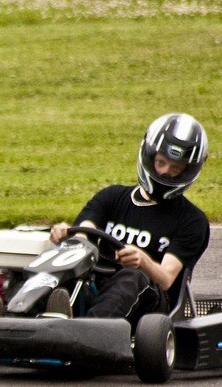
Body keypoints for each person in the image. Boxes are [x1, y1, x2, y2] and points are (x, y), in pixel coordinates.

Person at [29, 113, 210, 324]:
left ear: (188, 172)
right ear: (150, 156)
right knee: (57, 264)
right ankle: (15, 314)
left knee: (133, 277)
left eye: (175, 168)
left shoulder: (191, 220)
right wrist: (65, 234)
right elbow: (83, 234)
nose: (164, 173)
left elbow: (166, 279)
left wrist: (143, 262)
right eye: (161, 162)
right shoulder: (112, 197)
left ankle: (86, 331)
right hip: (96, 288)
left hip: (148, 307)